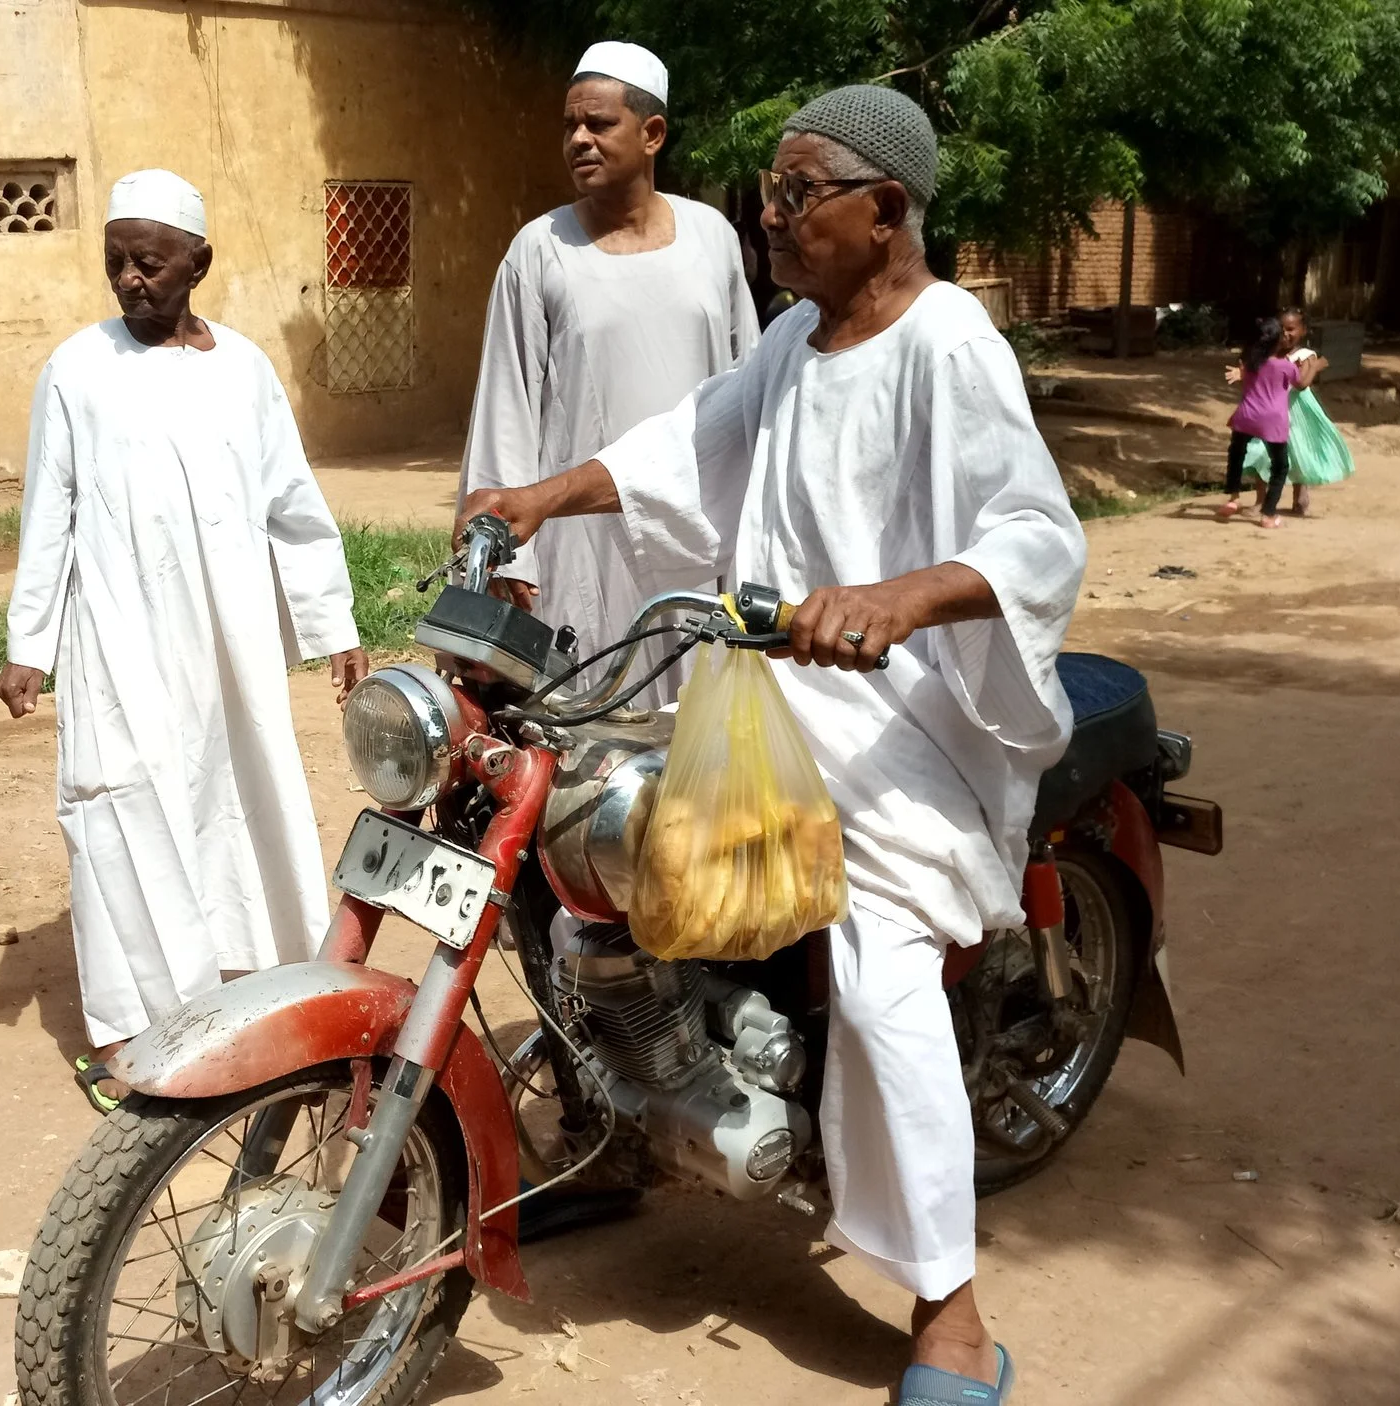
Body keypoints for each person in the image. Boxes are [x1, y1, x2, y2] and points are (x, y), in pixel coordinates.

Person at [461, 86, 1084, 1405]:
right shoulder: (795, 343)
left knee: (880, 980)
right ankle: (637, 1107)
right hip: (767, 690)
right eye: (769, 190)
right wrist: (536, 496)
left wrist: (899, 597)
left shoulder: (949, 343)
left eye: (801, 194)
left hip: (906, 720)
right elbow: (681, 446)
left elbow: (1038, 537)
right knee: (597, 835)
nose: (772, 215)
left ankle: (953, 1313)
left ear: (887, 210)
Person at [0, 171, 367, 1095]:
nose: (129, 279)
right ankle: (131, 1033)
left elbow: (294, 506)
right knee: (119, 805)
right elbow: (51, 509)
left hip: (229, 637)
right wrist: (28, 643)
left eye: (149, 263)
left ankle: (264, 988)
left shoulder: (243, 369)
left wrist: (334, 623)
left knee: (237, 795)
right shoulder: (77, 369)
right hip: (119, 633)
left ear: (199, 262)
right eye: (115, 262)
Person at [460, 40, 760, 705]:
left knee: (700, 735)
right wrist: (512, 552)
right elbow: (505, 408)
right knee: (585, 732)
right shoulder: (538, 251)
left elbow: (749, 390)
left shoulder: (712, 238)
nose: (578, 139)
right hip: (577, 543)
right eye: (570, 126)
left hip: (697, 538)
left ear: (652, 134)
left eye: (598, 124)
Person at [1235, 308, 1351, 516]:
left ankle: (1300, 491)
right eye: (1281, 329)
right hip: (1269, 410)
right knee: (1260, 451)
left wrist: (1314, 366)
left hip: (1296, 411)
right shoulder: (1268, 353)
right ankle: (1260, 501)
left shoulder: (1305, 355)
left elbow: (1302, 385)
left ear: (1303, 331)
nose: (1286, 334)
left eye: (1291, 329)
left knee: (1298, 451)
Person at [1214, 314, 1322, 529]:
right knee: (1280, 467)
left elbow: (1247, 373)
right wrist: (1315, 366)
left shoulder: (1251, 363)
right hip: (1272, 421)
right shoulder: (1286, 366)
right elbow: (1301, 385)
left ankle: (1233, 498)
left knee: (1236, 455)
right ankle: (1268, 514)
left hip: (1245, 417)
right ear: (1277, 341)